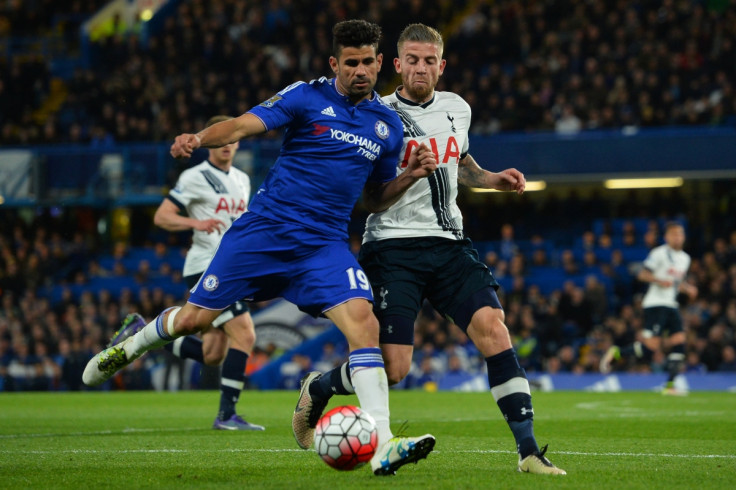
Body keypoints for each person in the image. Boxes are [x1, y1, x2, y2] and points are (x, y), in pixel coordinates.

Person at [83, 19, 438, 476]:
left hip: (323, 245)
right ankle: (134, 344)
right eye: (351, 63)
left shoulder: (388, 126)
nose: (361, 71)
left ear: (378, 61)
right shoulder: (305, 97)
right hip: (264, 232)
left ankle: (385, 443)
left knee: (364, 325)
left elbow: (372, 199)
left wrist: (407, 176)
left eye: (368, 61)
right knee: (195, 320)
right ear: (335, 64)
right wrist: (198, 139)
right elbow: (242, 125)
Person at [292, 23, 566, 476]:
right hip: (391, 247)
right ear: (397, 65)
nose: (421, 68)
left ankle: (529, 452)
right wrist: (409, 176)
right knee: (395, 369)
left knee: (494, 329)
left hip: (450, 244)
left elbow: (460, 162)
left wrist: (492, 179)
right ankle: (320, 386)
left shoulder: (459, 108)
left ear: (442, 65)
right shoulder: (374, 116)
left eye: (430, 60)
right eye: (413, 60)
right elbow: (369, 200)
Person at [107, 115, 263, 430]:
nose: (228, 146)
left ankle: (142, 331)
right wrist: (196, 223)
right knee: (245, 334)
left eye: (233, 141)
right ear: (212, 143)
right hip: (205, 265)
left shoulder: (243, 180)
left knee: (213, 353)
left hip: (232, 268)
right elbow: (162, 217)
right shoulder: (195, 176)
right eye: (222, 141)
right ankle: (226, 416)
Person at [600, 222, 697, 395]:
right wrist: (660, 281)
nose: (678, 237)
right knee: (650, 348)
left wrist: (688, 288)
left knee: (680, 341)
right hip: (655, 304)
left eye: (680, 234)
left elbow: (677, 282)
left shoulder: (685, 258)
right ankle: (617, 352)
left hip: (671, 304)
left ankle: (670, 386)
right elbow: (642, 274)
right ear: (667, 237)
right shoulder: (659, 253)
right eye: (674, 234)